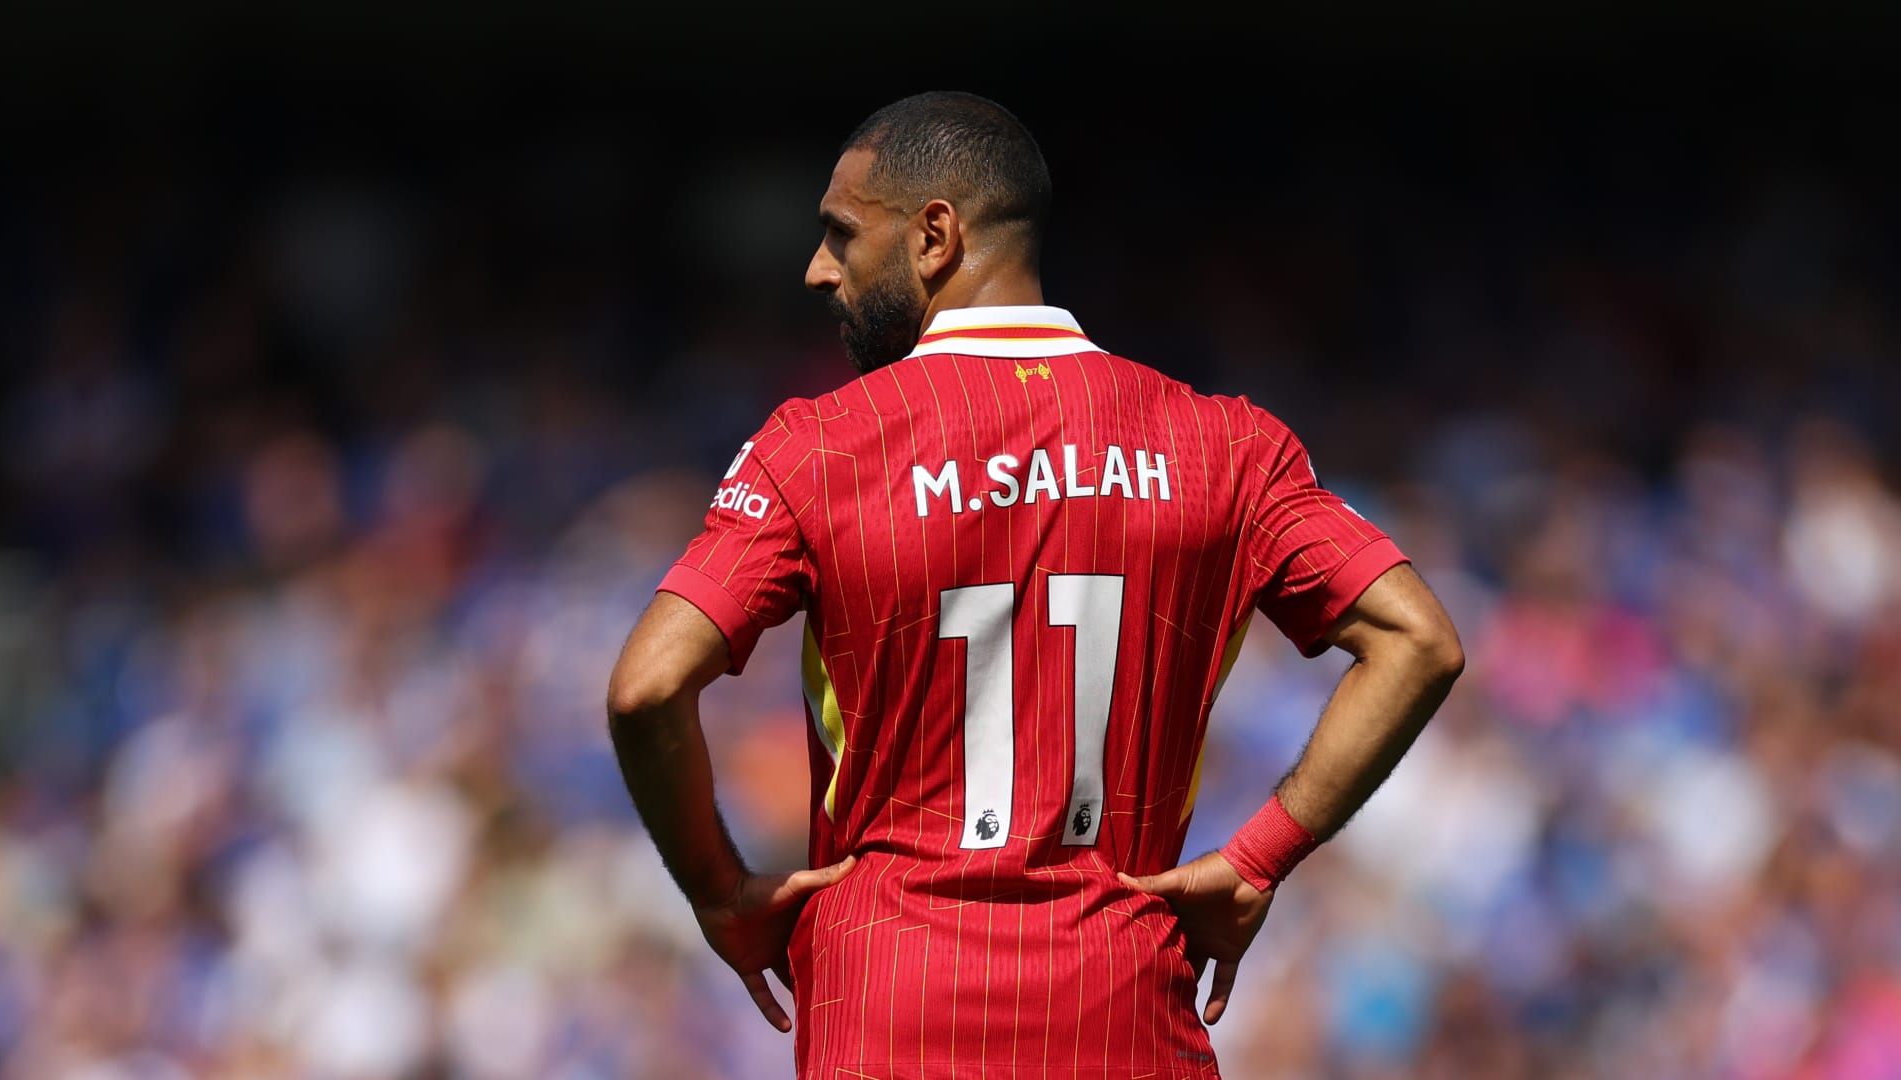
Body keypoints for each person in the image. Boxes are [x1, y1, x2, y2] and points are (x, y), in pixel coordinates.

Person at [606, 91, 1463, 1079]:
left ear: (935, 237)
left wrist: (718, 890)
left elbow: (646, 688)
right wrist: (1257, 858)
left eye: (841, 233)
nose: (819, 268)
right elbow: (1418, 641)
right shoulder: (1224, 444)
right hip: (1124, 1012)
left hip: (885, 1009)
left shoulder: (818, 448)